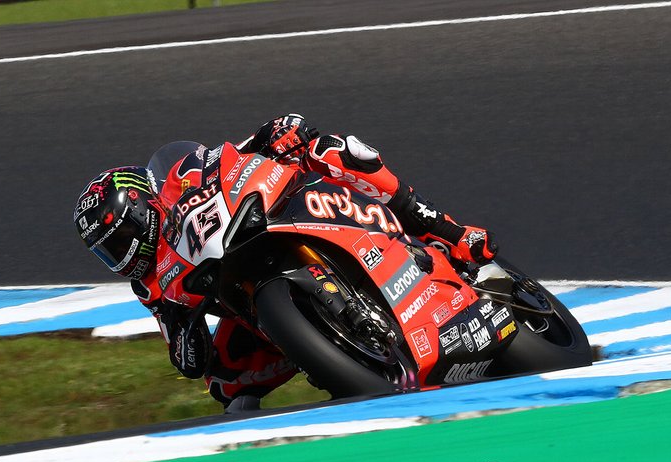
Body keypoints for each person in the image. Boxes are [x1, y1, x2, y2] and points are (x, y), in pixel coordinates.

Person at [73, 114, 497, 413]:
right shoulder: (150, 284)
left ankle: (448, 231)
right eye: (109, 252)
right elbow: (186, 360)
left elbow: (229, 154)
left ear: (142, 205)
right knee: (222, 384)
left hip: (275, 214)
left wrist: (276, 133)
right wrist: (183, 327)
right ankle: (261, 439)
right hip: (253, 309)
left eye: (122, 238)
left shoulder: (181, 177)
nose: (123, 255)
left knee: (343, 152)